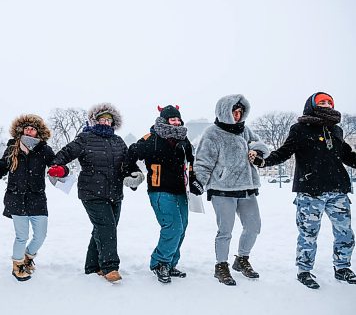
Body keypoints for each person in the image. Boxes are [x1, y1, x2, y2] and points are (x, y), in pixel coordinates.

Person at [253, 92, 356, 289]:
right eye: (322, 102)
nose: (326, 104)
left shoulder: (337, 130)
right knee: (308, 233)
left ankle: (342, 267)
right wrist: (265, 162)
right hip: (311, 192)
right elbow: (284, 152)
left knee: (345, 234)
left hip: (337, 190)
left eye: (329, 102)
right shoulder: (300, 129)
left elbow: (347, 156)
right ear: (311, 105)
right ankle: (304, 271)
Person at [48, 103, 142, 283]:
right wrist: (58, 167)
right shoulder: (85, 138)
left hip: (115, 192)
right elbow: (64, 154)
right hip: (91, 192)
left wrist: (134, 175)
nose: (106, 122)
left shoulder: (118, 141)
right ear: (95, 120)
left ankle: (92, 266)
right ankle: (110, 267)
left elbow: (127, 164)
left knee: (104, 228)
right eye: (102, 119)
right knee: (107, 228)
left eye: (109, 120)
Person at [194, 94, 269, 286]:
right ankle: (221, 266)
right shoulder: (212, 133)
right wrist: (199, 182)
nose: (237, 116)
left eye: (240, 112)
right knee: (225, 231)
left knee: (254, 227)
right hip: (222, 190)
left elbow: (261, 145)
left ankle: (242, 259)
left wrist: (258, 152)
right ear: (224, 111)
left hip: (247, 189)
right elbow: (203, 161)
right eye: (234, 112)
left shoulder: (245, 131)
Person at [127, 105, 203, 284]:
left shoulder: (184, 141)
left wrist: (194, 181)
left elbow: (190, 165)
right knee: (173, 227)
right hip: (159, 190)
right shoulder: (151, 139)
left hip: (181, 191)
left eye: (178, 119)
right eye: (172, 119)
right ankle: (159, 263)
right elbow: (130, 154)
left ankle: (170, 263)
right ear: (164, 120)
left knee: (182, 227)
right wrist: (133, 173)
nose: (176, 122)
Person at [0, 114, 55, 281]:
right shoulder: (13, 148)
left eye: (33, 128)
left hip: (37, 198)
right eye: (27, 128)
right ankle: (17, 265)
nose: (29, 130)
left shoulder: (44, 150)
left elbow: (57, 165)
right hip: (16, 198)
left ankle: (28, 257)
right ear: (21, 130)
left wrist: (62, 171)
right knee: (22, 236)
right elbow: (1, 168)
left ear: (38, 132)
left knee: (41, 235)